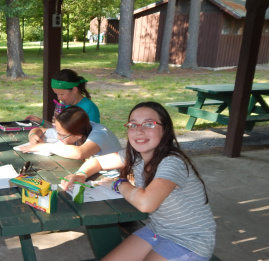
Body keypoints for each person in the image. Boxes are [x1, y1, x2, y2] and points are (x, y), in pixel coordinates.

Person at [61, 102, 216, 261]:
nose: (139, 131)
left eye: (149, 124)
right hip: (158, 230)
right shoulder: (135, 155)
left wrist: (119, 183)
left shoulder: (172, 162)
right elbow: (98, 162)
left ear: (165, 130)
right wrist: (80, 174)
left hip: (189, 240)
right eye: (133, 125)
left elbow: (146, 203)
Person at [20, 106, 120, 160]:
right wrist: (33, 136)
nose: (58, 137)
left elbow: (80, 153)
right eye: (58, 132)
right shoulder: (73, 129)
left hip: (113, 177)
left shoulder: (100, 134)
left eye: (62, 135)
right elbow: (40, 130)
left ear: (78, 135)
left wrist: (45, 146)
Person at [25, 69, 100, 127]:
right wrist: (41, 122)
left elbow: (91, 136)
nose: (59, 98)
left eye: (61, 94)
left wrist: (63, 125)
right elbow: (58, 130)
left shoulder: (89, 108)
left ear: (74, 90)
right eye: (56, 94)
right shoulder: (64, 105)